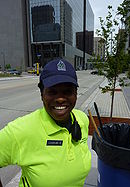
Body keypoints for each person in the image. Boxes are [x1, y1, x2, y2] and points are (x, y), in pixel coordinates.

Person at [0, 59, 91, 187]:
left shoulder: (81, 119)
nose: (60, 98)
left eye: (67, 91)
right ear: (42, 94)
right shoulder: (22, 130)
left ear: (76, 94)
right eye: (52, 92)